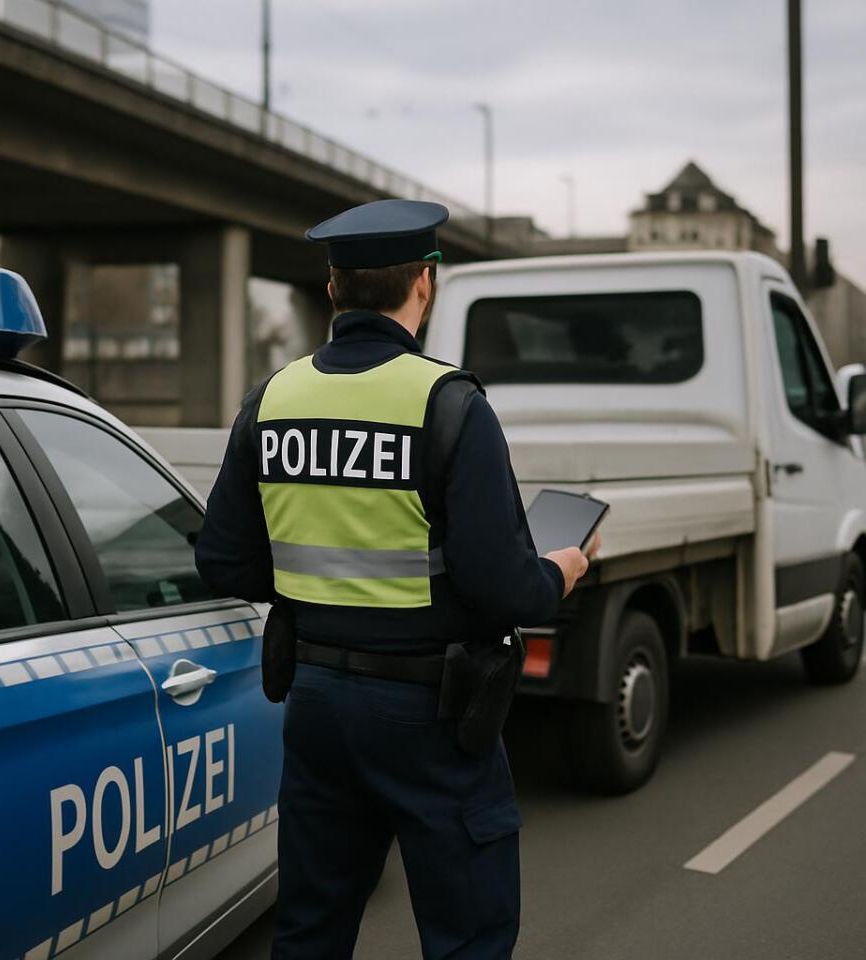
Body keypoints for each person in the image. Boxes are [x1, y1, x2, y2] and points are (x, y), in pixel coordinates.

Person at [195, 198, 591, 960]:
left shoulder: (271, 400)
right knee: (468, 933)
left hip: (313, 704)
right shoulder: (451, 405)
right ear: (425, 284)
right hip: (431, 715)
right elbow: (502, 586)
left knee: (310, 928)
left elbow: (224, 561)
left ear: (335, 290)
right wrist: (559, 572)